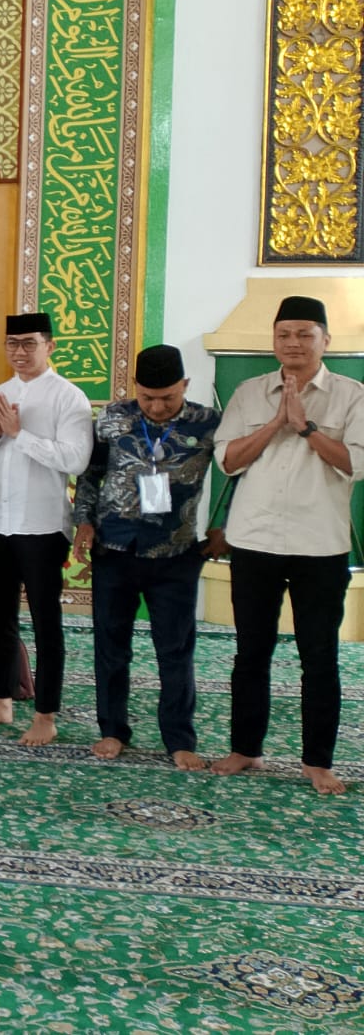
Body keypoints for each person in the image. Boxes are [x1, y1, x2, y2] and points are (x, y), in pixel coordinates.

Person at [211, 296, 364, 795]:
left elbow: (355, 464)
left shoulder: (352, 396)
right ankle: (245, 749)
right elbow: (228, 460)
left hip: (319, 544)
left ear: (325, 340)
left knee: (318, 656)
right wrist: (277, 422)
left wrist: (306, 427)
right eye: (284, 335)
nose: (293, 343)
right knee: (250, 653)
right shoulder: (250, 393)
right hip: (254, 540)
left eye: (304, 334)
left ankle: (318, 762)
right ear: (274, 340)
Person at [74, 344, 220, 769]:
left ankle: (179, 739)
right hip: (114, 550)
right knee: (110, 646)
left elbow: (239, 475)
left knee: (175, 650)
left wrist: (224, 525)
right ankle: (112, 730)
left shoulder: (208, 422)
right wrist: (84, 521)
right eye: (147, 397)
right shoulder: (112, 418)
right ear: (134, 388)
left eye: (168, 398)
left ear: (185, 386)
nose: (156, 407)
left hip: (175, 554)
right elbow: (90, 476)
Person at [0, 312, 93, 745]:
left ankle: (45, 714)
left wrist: (20, 435)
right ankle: (2, 701)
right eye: (12, 343)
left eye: (29, 343)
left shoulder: (69, 397)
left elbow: (76, 459)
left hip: (41, 527)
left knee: (45, 623)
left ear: (49, 346)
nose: (19, 352)